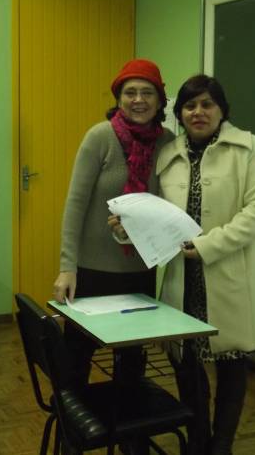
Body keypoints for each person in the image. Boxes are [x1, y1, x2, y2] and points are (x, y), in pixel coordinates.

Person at [156, 74, 255, 455]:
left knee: (230, 363)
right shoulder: (168, 155)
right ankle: (197, 439)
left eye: (207, 104)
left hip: (229, 273)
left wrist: (208, 246)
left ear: (221, 110)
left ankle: (222, 445)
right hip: (183, 277)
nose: (198, 112)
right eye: (189, 105)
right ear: (180, 113)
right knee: (186, 361)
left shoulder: (247, 148)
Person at [52, 58, 173, 393]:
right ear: (119, 98)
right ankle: (73, 422)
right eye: (130, 92)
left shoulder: (167, 142)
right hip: (92, 270)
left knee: (132, 359)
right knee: (77, 357)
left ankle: (126, 422)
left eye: (147, 92)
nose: (138, 100)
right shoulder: (100, 137)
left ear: (160, 100)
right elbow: (75, 205)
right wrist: (67, 267)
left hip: (140, 270)